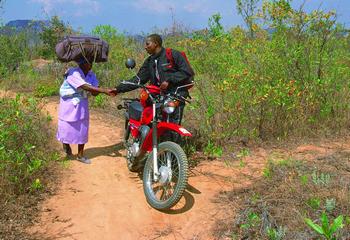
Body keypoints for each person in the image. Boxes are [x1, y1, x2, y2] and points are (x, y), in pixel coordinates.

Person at [113, 33, 194, 125]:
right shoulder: (149, 61)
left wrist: (169, 80)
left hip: (175, 96)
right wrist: (118, 89)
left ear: (155, 43)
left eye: (147, 44)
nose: (145, 47)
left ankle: (172, 139)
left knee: (172, 125)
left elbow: (187, 72)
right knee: (148, 119)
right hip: (157, 96)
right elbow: (138, 79)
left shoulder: (173, 54)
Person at [57, 57, 115, 164]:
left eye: (91, 62)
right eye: (88, 62)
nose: (90, 64)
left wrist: (97, 89)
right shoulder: (73, 73)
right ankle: (65, 143)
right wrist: (103, 90)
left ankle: (80, 154)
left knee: (82, 128)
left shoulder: (91, 74)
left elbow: (93, 90)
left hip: (82, 103)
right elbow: (84, 86)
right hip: (69, 103)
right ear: (81, 63)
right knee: (66, 125)